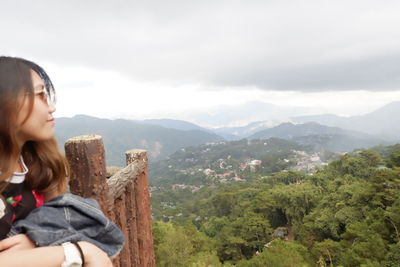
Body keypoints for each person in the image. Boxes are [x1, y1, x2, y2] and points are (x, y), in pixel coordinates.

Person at [0, 56, 113, 266]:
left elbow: (59, 218)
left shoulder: (39, 163)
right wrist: (78, 252)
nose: (51, 107)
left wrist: (36, 239)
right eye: (40, 95)